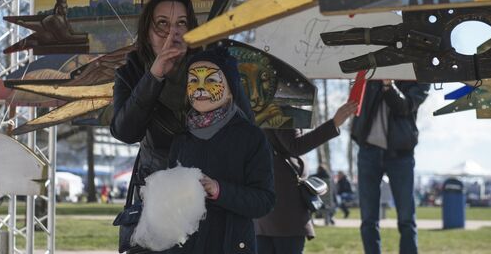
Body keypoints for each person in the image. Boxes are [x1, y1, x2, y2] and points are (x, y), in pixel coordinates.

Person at [168, 47, 275, 254]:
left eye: (211, 80)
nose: (200, 88)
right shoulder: (181, 140)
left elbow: (264, 202)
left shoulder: (251, 138)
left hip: (230, 246)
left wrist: (219, 190)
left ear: (230, 89)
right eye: (193, 80)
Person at [110, 0, 199, 188]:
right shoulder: (130, 73)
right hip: (155, 189)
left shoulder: (211, 69)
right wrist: (153, 77)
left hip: (208, 189)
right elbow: (125, 132)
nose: (172, 33)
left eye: (181, 24)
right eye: (162, 24)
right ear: (147, 33)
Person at [254, 101, 357, 254]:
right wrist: (334, 123)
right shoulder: (279, 106)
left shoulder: (256, 105)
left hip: (265, 208)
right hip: (284, 209)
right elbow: (296, 146)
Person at [351, 80, 429, 254]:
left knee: (406, 218)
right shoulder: (373, 71)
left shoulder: (418, 77)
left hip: (400, 153)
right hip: (368, 150)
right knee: (368, 219)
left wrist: (388, 85)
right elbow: (357, 100)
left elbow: (404, 106)